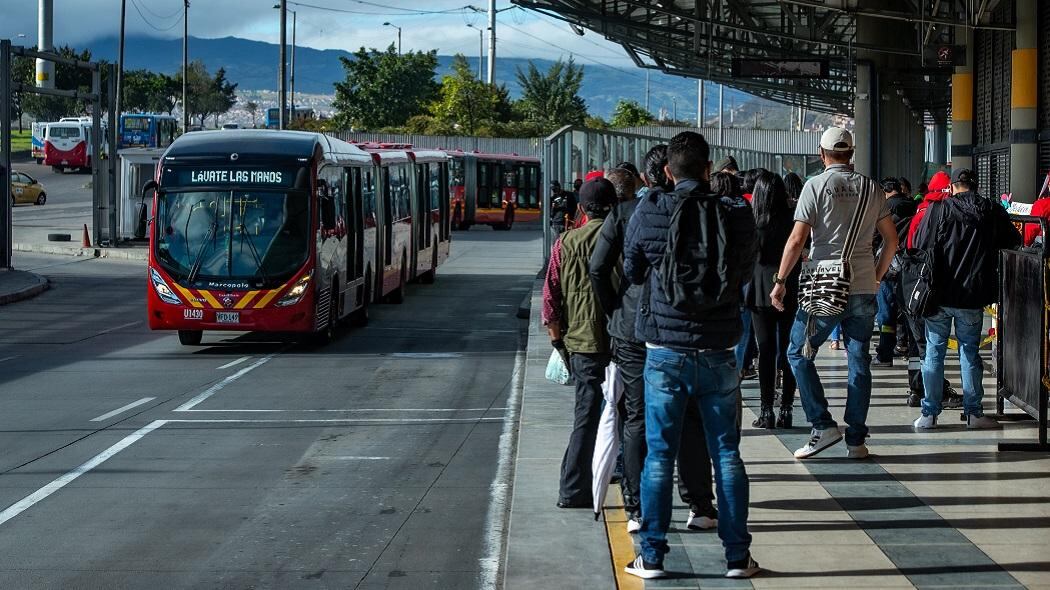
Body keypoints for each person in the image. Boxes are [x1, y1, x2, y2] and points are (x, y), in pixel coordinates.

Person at [623, 131, 760, 580]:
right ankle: (737, 557)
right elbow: (744, 268)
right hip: (720, 350)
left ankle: (654, 556)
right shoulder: (737, 213)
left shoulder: (651, 208)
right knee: (727, 454)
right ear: (708, 170)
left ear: (667, 171)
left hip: (665, 350)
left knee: (660, 455)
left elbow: (632, 268)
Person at [591, 161, 719, 535]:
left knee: (637, 417)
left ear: (652, 177)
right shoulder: (706, 209)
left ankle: (636, 507)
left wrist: (614, 305)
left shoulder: (625, 212)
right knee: (689, 416)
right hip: (683, 325)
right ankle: (699, 504)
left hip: (632, 326)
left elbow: (598, 267)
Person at [771, 127, 898, 460]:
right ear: (851, 152)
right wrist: (877, 275)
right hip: (863, 286)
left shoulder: (815, 186)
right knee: (859, 362)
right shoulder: (873, 188)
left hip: (825, 286)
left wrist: (781, 280)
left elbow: (797, 241)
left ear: (821, 152)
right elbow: (892, 240)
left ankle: (822, 424)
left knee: (798, 353)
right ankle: (856, 440)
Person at [912, 169, 1021, 429]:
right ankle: (974, 413)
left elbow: (920, 242)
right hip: (973, 295)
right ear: (975, 186)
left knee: (934, 352)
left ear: (953, 187)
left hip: (937, 294)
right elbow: (1013, 241)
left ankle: (929, 414)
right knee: (969, 353)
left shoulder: (939, 210)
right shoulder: (991, 210)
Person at [542, 178, 620, 508]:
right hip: (622, 342)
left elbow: (550, 300)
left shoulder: (565, 242)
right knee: (628, 419)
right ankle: (630, 487)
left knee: (585, 419)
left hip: (582, 343)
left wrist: (560, 344)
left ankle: (573, 490)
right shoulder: (625, 237)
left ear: (580, 209)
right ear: (615, 206)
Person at [745, 171, 799, 429]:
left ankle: (766, 410)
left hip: (758, 291)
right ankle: (787, 408)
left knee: (765, 350)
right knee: (789, 349)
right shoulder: (793, 219)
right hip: (789, 287)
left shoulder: (753, 221)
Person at [872, 177, 914, 367]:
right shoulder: (915, 207)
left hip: (887, 268)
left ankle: (885, 354)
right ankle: (906, 346)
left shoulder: (882, 208)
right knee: (908, 310)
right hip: (911, 267)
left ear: (884, 191)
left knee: (886, 314)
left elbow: (873, 238)